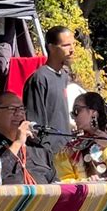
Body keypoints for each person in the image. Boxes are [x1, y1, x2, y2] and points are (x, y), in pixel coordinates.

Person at [0, 91, 57, 186]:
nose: (19, 114)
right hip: (7, 200)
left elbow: (56, 184)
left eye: (21, 109)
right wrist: (17, 143)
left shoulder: (39, 149)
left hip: (43, 200)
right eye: (12, 109)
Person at [23, 25, 74, 155]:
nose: (72, 50)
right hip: (49, 156)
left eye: (73, 45)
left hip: (66, 152)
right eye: (66, 45)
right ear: (51, 47)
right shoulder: (40, 78)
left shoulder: (63, 76)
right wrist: (46, 153)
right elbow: (35, 125)